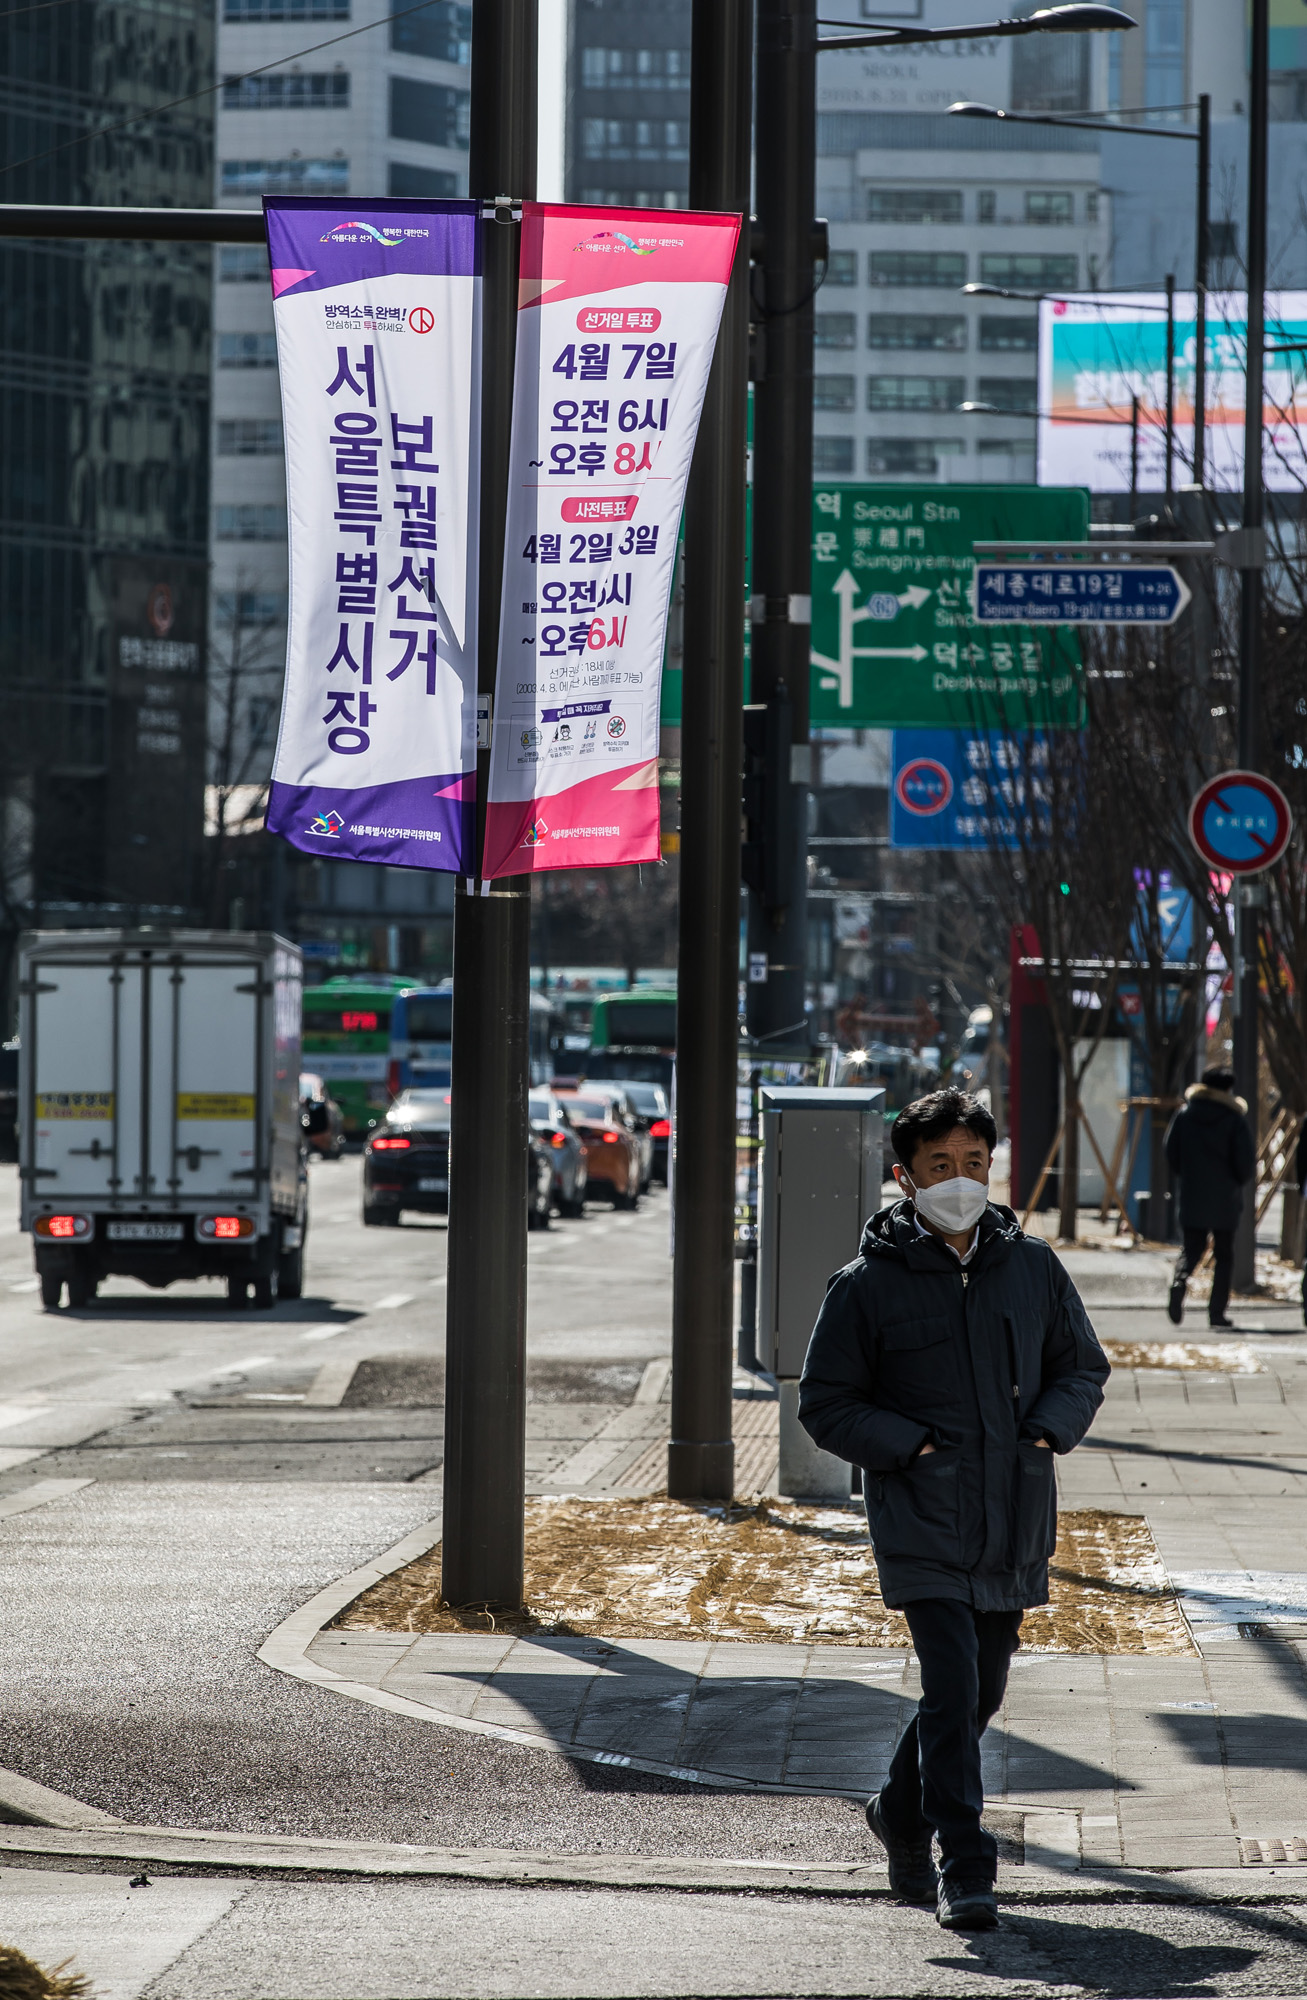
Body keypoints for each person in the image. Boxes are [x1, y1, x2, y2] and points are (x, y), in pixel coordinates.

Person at [798, 1087, 1108, 1933]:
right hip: (921, 1518)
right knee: (950, 1685)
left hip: (1012, 1515)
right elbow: (826, 1402)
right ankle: (965, 1865)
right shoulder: (865, 1286)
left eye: (973, 1162)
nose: (960, 1180)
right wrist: (912, 1447)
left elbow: (1081, 1367)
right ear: (905, 1178)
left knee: (979, 1693)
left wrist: (1045, 1431)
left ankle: (897, 1811)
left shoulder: (1033, 1266)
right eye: (940, 1165)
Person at [1164, 1067, 1255, 1330]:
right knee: (1224, 1255)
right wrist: (1235, 1181)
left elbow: (1171, 1151)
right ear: (1227, 1089)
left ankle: (1179, 1281)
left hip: (1192, 1193)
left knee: (1192, 1248)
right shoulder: (1234, 1119)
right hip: (1225, 1197)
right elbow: (1245, 1163)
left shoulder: (1185, 1114)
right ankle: (1216, 1313)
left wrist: (1187, 1174)